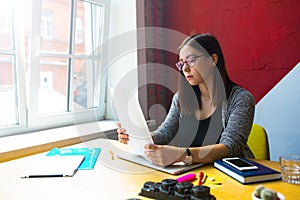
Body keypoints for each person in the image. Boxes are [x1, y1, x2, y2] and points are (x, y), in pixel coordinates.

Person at [117, 33, 255, 167]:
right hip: (192, 173)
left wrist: (183, 155)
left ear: (213, 59)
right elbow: (165, 133)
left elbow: (230, 147)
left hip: (232, 176)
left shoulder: (241, 99)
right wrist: (139, 138)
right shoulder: (180, 98)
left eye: (191, 60)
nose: (185, 68)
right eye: (181, 63)